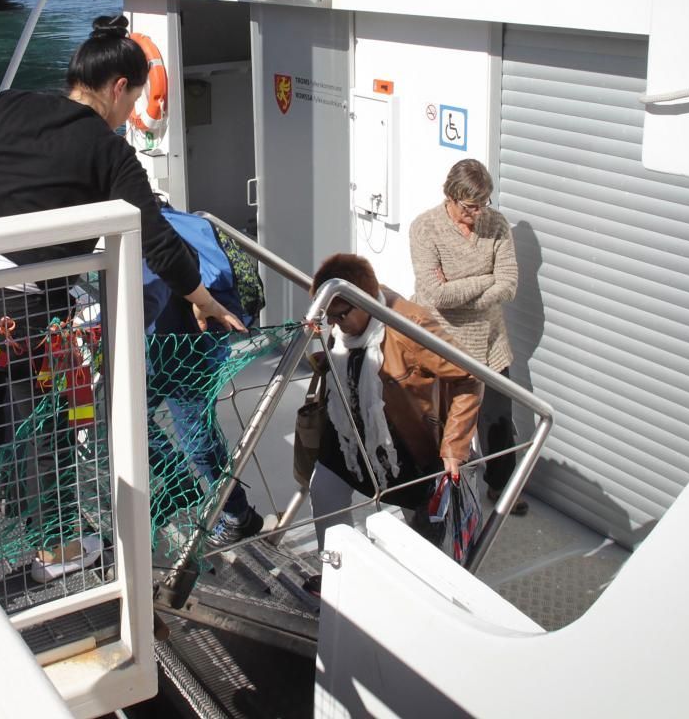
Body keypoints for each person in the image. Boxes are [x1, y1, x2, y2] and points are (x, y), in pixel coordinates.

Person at [0, 14, 246, 557]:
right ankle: (55, 552)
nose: (128, 112)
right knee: (48, 431)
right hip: (16, 316)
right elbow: (156, 240)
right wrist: (203, 299)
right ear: (119, 88)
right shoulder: (109, 151)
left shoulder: (8, 104)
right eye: (132, 99)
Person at [307, 253, 482, 553]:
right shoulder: (345, 316)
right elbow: (354, 355)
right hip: (348, 432)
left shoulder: (409, 327)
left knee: (424, 535)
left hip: (402, 445)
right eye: (328, 317)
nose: (332, 324)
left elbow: (470, 376)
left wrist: (455, 446)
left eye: (339, 316)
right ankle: (334, 569)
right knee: (323, 493)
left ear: (364, 303)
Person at [142, 202, 264, 548]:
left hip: (183, 347)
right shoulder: (159, 222)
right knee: (127, 419)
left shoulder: (152, 232)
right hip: (162, 343)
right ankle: (181, 482)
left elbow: (153, 290)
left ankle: (237, 513)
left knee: (196, 439)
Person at [408, 158, 526, 513]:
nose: (477, 214)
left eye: (482, 204)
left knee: (497, 421)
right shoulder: (425, 228)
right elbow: (436, 295)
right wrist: (486, 279)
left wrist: (465, 289)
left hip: (489, 344)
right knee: (441, 423)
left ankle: (501, 487)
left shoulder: (497, 224)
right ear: (450, 196)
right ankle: (436, 493)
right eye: (469, 207)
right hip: (441, 343)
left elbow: (509, 285)